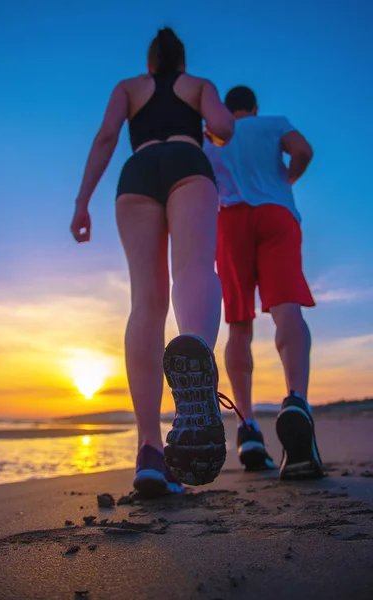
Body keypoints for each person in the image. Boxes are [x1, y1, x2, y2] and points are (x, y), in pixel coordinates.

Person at [70, 28, 236, 495]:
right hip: (188, 161)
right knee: (195, 268)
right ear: (181, 63)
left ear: (150, 63)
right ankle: (196, 364)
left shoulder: (129, 88)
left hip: (138, 170)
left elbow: (106, 138)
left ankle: (148, 451)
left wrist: (82, 202)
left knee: (146, 300)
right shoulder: (197, 85)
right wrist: (209, 127)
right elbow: (224, 128)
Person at [205, 86, 325, 480]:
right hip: (276, 214)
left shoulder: (214, 135)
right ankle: (296, 403)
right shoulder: (273, 124)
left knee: (238, 324)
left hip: (231, 221)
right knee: (287, 308)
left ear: (228, 108)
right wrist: (286, 179)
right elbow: (304, 150)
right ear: (255, 107)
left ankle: (248, 428)